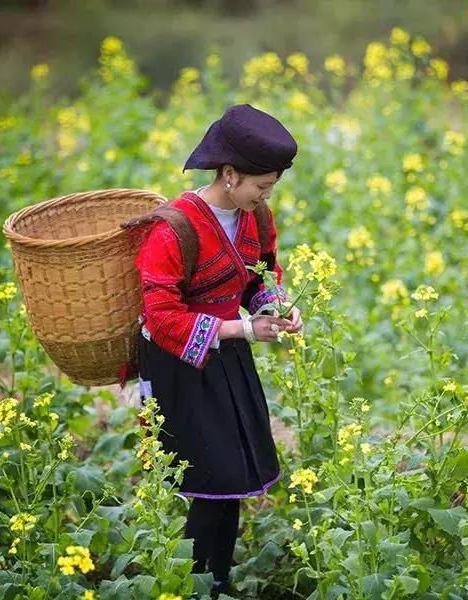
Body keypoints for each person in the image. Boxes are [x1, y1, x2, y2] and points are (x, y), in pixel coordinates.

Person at [126, 104, 302, 595]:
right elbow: (161, 316)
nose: (266, 196)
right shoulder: (173, 229)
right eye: (261, 186)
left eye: (271, 187)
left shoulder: (255, 217)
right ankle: (191, 583)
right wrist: (243, 329)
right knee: (212, 478)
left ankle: (215, 581)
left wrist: (278, 307)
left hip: (228, 355)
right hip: (178, 361)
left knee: (235, 477)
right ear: (229, 174)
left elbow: (262, 276)